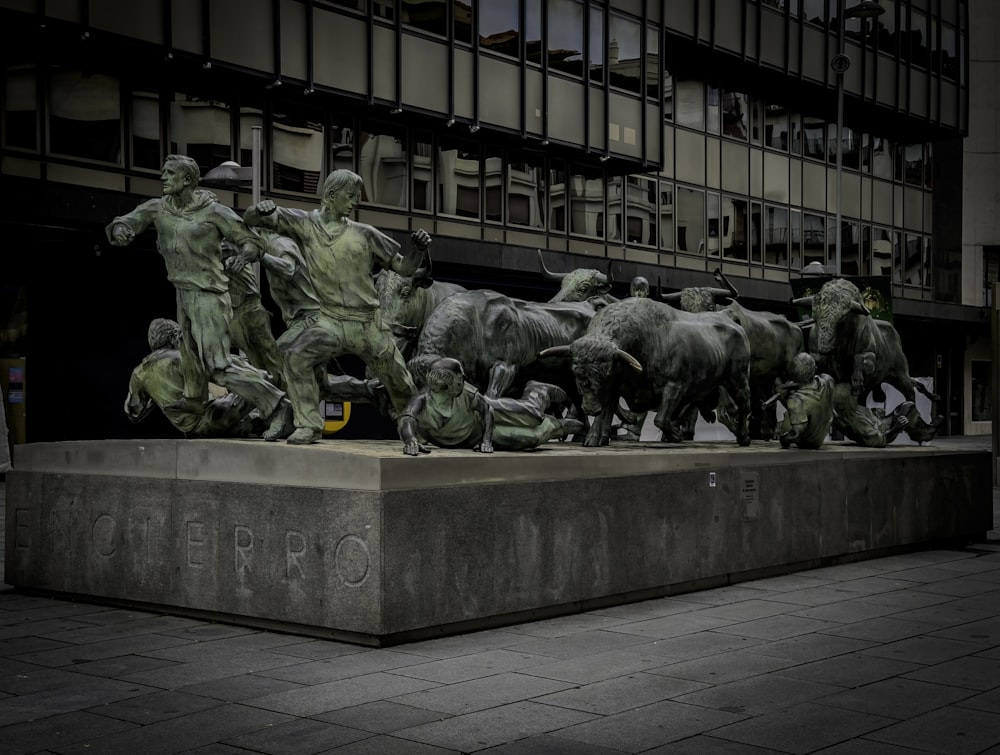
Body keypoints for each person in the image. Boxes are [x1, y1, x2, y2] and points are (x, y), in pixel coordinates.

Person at [105, 154, 292, 441]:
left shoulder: (214, 213)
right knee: (191, 355)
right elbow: (128, 220)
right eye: (163, 173)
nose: (163, 178)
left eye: (169, 173)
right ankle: (194, 397)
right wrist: (122, 230)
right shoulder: (159, 209)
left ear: (188, 180)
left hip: (209, 296)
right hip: (184, 293)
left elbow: (250, 239)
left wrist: (244, 256)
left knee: (217, 364)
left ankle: (277, 405)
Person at [243, 169, 430, 445]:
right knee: (296, 356)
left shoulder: (365, 234)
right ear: (331, 195)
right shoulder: (305, 224)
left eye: (357, 196)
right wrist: (259, 209)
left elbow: (404, 267)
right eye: (351, 196)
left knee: (400, 381)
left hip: (368, 324)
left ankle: (419, 430)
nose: (355, 202)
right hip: (329, 321)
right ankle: (308, 424)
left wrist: (417, 250)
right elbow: (250, 218)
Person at [398, 357, 583, 455]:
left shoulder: (467, 394)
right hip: (472, 436)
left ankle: (537, 390)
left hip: (485, 416)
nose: (464, 382)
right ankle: (558, 426)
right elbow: (407, 419)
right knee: (532, 437)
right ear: (444, 388)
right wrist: (410, 439)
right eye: (459, 380)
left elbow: (487, 410)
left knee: (532, 416)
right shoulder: (422, 401)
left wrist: (486, 441)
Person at [125, 318, 265, 438]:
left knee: (256, 420)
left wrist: (155, 397)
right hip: (213, 416)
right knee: (262, 383)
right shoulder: (179, 358)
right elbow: (224, 369)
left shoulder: (139, 373)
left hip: (194, 432)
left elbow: (133, 414)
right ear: (174, 337)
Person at [220, 241, 285, 390]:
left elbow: (254, 247)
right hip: (234, 315)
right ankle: (272, 399)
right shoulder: (208, 251)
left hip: (251, 308)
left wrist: (241, 258)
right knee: (256, 363)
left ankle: (286, 397)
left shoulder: (230, 244)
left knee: (272, 358)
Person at [771, 352, 836, 449]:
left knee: (790, 420)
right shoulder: (828, 380)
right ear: (815, 368)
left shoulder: (796, 400)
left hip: (808, 442)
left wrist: (784, 440)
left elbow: (796, 434)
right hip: (822, 434)